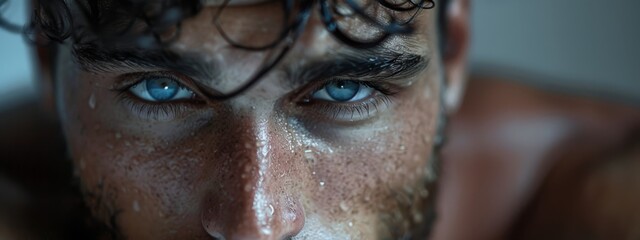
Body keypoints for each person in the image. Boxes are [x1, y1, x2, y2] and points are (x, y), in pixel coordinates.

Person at [0, 0, 470, 239]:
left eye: (342, 89)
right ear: (45, 56)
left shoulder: (538, 196)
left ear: (451, 48)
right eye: (162, 90)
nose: (253, 224)